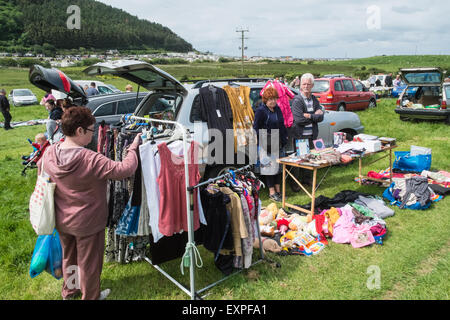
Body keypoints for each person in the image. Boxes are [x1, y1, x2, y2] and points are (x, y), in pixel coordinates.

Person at [38, 106, 141, 300]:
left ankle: (69, 292)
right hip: (88, 222)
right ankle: (91, 297)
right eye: (92, 131)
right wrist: (133, 147)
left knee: (69, 258)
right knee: (89, 264)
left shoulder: (51, 152)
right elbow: (125, 169)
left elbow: (40, 169)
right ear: (80, 131)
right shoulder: (90, 159)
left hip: (62, 219)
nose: (93, 136)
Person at [253, 87, 288, 202]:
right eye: (270, 99)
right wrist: (265, 137)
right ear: (265, 100)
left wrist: (284, 139)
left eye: (274, 99)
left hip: (278, 142)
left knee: (277, 167)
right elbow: (256, 128)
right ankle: (271, 192)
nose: (273, 101)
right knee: (269, 168)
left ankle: (278, 191)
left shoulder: (277, 109)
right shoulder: (261, 111)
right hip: (266, 143)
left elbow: (282, 124)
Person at [291, 73, 324, 185]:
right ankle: (295, 183)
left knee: (310, 158)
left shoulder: (314, 99)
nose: (306, 86)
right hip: (300, 135)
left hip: (312, 135)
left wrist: (309, 115)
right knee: (299, 160)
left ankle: (307, 179)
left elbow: (321, 117)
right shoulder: (297, 100)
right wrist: (314, 115)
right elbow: (299, 120)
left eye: (308, 84)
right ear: (300, 85)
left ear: (312, 85)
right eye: (304, 84)